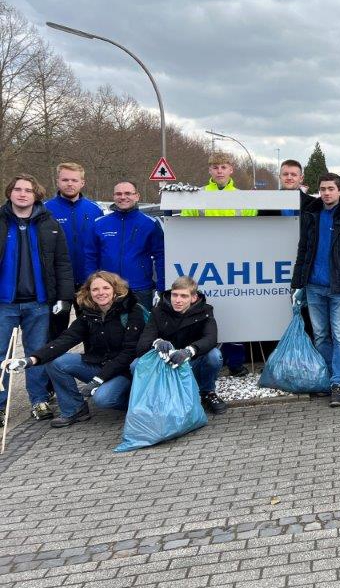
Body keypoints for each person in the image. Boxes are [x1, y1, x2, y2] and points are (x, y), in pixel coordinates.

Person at [8, 271, 145, 428]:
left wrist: (98, 380)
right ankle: (74, 409)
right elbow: (65, 340)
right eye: (95, 289)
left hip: (123, 371)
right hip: (99, 365)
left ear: (115, 289)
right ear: (88, 292)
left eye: (106, 288)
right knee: (56, 361)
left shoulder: (133, 311)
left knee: (103, 399)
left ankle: (136, 404)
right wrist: (30, 360)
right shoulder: (88, 314)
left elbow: (129, 353)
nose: (101, 293)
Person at [0, 174, 74, 423]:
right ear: (10, 193)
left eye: (28, 190)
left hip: (39, 303)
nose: (22, 194)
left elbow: (62, 263)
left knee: (37, 353)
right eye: (17, 189)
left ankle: (39, 400)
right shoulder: (1, 222)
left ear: (36, 195)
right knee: (1, 355)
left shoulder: (49, 224)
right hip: (4, 303)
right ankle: (1, 405)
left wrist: (64, 297)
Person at [291, 173, 340, 407]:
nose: (326, 193)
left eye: (331, 189)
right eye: (323, 189)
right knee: (321, 336)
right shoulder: (312, 216)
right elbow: (303, 250)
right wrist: (297, 284)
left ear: (339, 191)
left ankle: (337, 384)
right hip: (314, 287)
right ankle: (332, 376)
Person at [138, 275, 228, 415]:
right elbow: (143, 343)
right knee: (135, 365)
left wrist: (189, 351)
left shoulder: (205, 311)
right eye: (175, 295)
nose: (178, 300)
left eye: (184, 296)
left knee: (214, 356)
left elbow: (211, 338)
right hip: (167, 365)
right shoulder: (158, 311)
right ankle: (152, 399)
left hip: (191, 362)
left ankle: (207, 392)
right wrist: (157, 343)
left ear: (194, 298)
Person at [44, 162, 103, 336]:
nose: (70, 184)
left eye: (74, 180)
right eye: (65, 180)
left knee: (93, 331)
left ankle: (92, 362)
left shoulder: (95, 210)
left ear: (82, 183)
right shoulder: (45, 210)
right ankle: (52, 362)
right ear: (58, 181)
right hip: (57, 282)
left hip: (88, 281)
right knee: (55, 331)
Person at [85, 181, 165, 310]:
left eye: (128, 193)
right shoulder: (99, 223)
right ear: (114, 196)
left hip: (140, 288)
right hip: (107, 289)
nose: (123, 197)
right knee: (108, 329)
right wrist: (91, 284)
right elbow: (90, 256)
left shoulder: (150, 223)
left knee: (141, 328)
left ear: (137, 196)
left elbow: (161, 256)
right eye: (119, 194)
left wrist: (161, 287)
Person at [180, 152, 257, 217]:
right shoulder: (197, 195)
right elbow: (185, 225)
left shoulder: (243, 198)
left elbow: (252, 226)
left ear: (231, 170)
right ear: (210, 170)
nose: (219, 171)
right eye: (215, 167)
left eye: (223, 167)